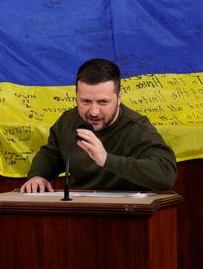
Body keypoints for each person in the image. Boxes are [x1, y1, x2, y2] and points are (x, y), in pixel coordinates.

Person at [20, 58, 177, 193]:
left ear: (119, 97)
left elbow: (166, 175)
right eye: (86, 101)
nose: (94, 112)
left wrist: (107, 160)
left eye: (103, 102)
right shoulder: (68, 121)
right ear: (76, 96)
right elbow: (50, 155)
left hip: (127, 214)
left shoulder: (137, 128)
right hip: (79, 210)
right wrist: (38, 176)